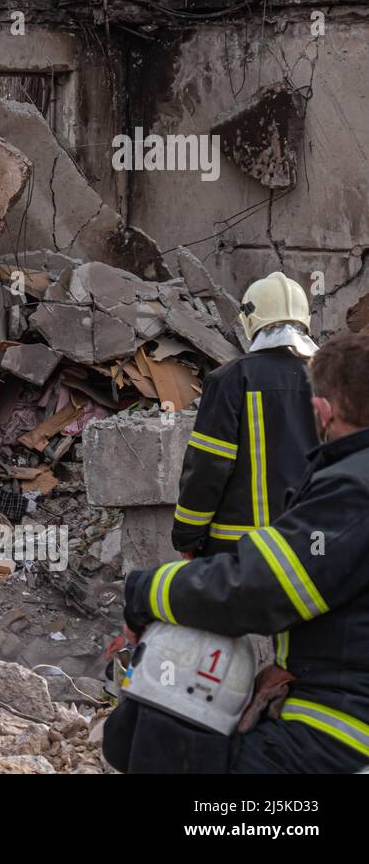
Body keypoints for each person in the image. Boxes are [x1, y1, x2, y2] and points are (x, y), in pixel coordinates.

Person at [105, 330, 369, 773]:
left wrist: (143, 592)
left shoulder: (352, 487)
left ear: (324, 409)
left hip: (342, 732)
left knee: (170, 701)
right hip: (340, 693)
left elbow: (258, 589)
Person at [172, 271, 318, 557]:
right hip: (316, 548)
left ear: (251, 321)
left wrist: (187, 536)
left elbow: (208, 466)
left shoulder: (230, 380)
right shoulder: (332, 378)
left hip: (242, 557)